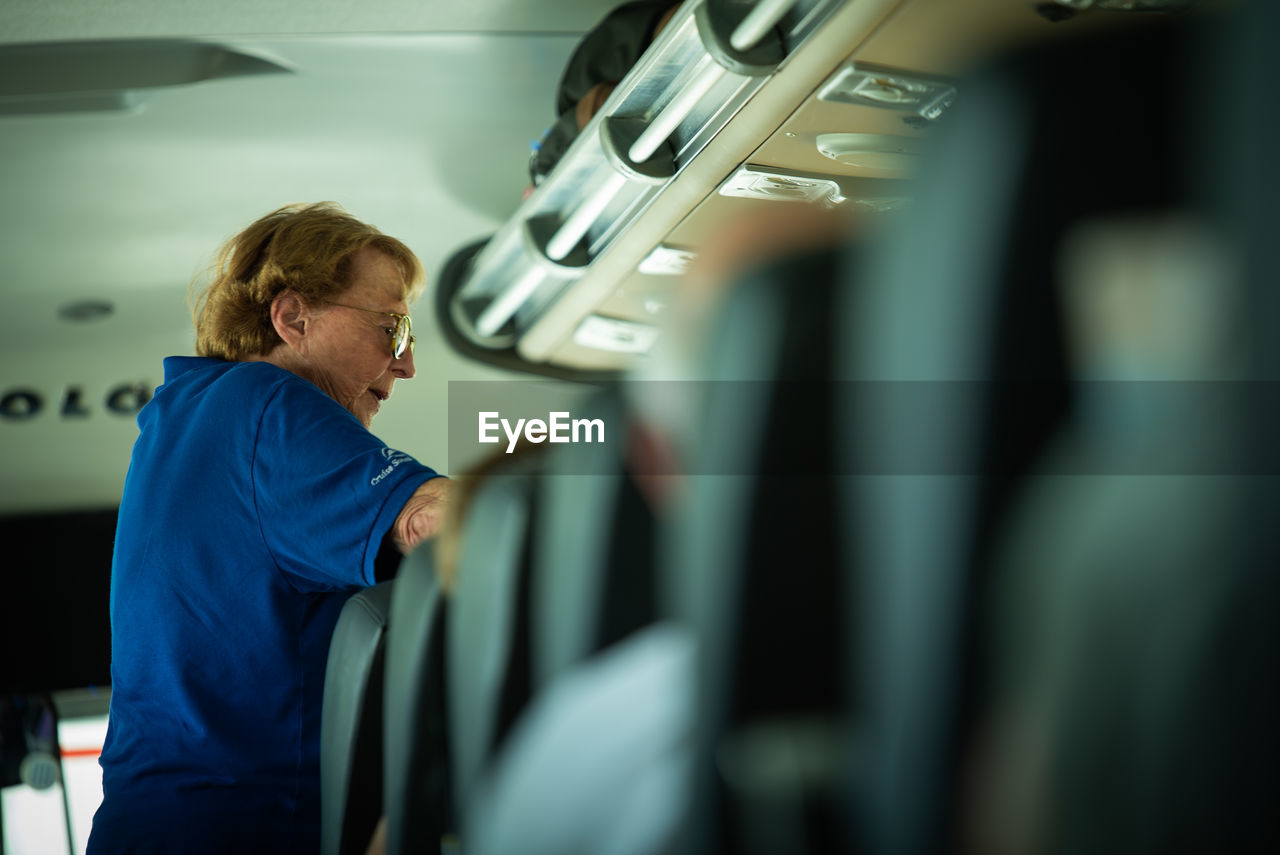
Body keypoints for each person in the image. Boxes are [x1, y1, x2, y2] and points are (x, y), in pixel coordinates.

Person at [87, 202, 451, 854]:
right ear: (292, 317)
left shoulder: (186, 417)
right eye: (392, 328)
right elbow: (434, 521)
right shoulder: (262, 404)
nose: (406, 365)